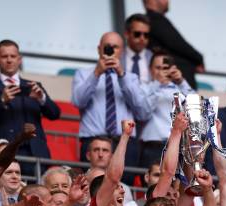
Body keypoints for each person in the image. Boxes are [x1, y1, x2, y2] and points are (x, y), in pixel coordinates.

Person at [0, 39, 61, 176]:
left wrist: (41, 98)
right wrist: (1, 100)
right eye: (4, 56)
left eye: (13, 56)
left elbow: (55, 114)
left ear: (19, 59)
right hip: (4, 151)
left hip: (35, 152)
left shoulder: (34, 86)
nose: (9, 60)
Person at [72, 31, 150, 170]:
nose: (111, 50)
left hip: (124, 141)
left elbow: (142, 111)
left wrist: (121, 74)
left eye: (115, 47)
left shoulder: (131, 77)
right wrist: (96, 74)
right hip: (93, 141)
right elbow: (78, 101)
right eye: (107, 46)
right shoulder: (83, 74)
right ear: (99, 49)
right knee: (92, 186)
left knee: (124, 187)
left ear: (122, 51)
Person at [139, 51, 193, 166]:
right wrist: (157, 85)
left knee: (177, 183)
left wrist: (181, 81)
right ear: (150, 69)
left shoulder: (180, 89)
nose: (162, 71)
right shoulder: (143, 88)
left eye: (165, 68)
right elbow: (143, 113)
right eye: (158, 68)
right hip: (153, 145)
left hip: (178, 145)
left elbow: (196, 110)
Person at [144, 0, 204, 89]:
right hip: (174, 88)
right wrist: (199, 58)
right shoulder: (156, 20)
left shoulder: (154, 20)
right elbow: (178, 44)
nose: (168, 1)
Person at [123, 14, 152, 84]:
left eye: (146, 35)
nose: (142, 38)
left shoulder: (154, 58)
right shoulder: (117, 57)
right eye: (137, 34)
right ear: (126, 34)